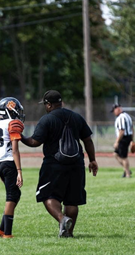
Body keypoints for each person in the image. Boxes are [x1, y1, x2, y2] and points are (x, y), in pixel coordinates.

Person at [19, 90, 98, 238]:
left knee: (47, 195)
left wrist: (20, 136)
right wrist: (92, 160)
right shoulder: (76, 117)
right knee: (72, 200)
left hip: (54, 164)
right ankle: (68, 232)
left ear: (48, 105)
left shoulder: (47, 119)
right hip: (77, 164)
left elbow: (35, 142)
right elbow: (87, 140)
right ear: (60, 103)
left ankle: (62, 219)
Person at [0, 98, 26, 239]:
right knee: (11, 196)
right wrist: (19, 171)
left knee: (15, 194)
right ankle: (7, 234)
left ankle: (1, 231)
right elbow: (14, 150)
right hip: (9, 162)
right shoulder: (12, 123)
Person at [111, 103, 134, 178]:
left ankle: (127, 174)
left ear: (118, 109)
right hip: (128, 137)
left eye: (114, 110)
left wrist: (117, 142)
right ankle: (126, 169)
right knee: (115, 154)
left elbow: (122, 131)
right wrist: (132, 140)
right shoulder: (127, 116)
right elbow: (132, 129)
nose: (114, 112)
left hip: (123, 138)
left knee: (124, 157)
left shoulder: (121, 117)